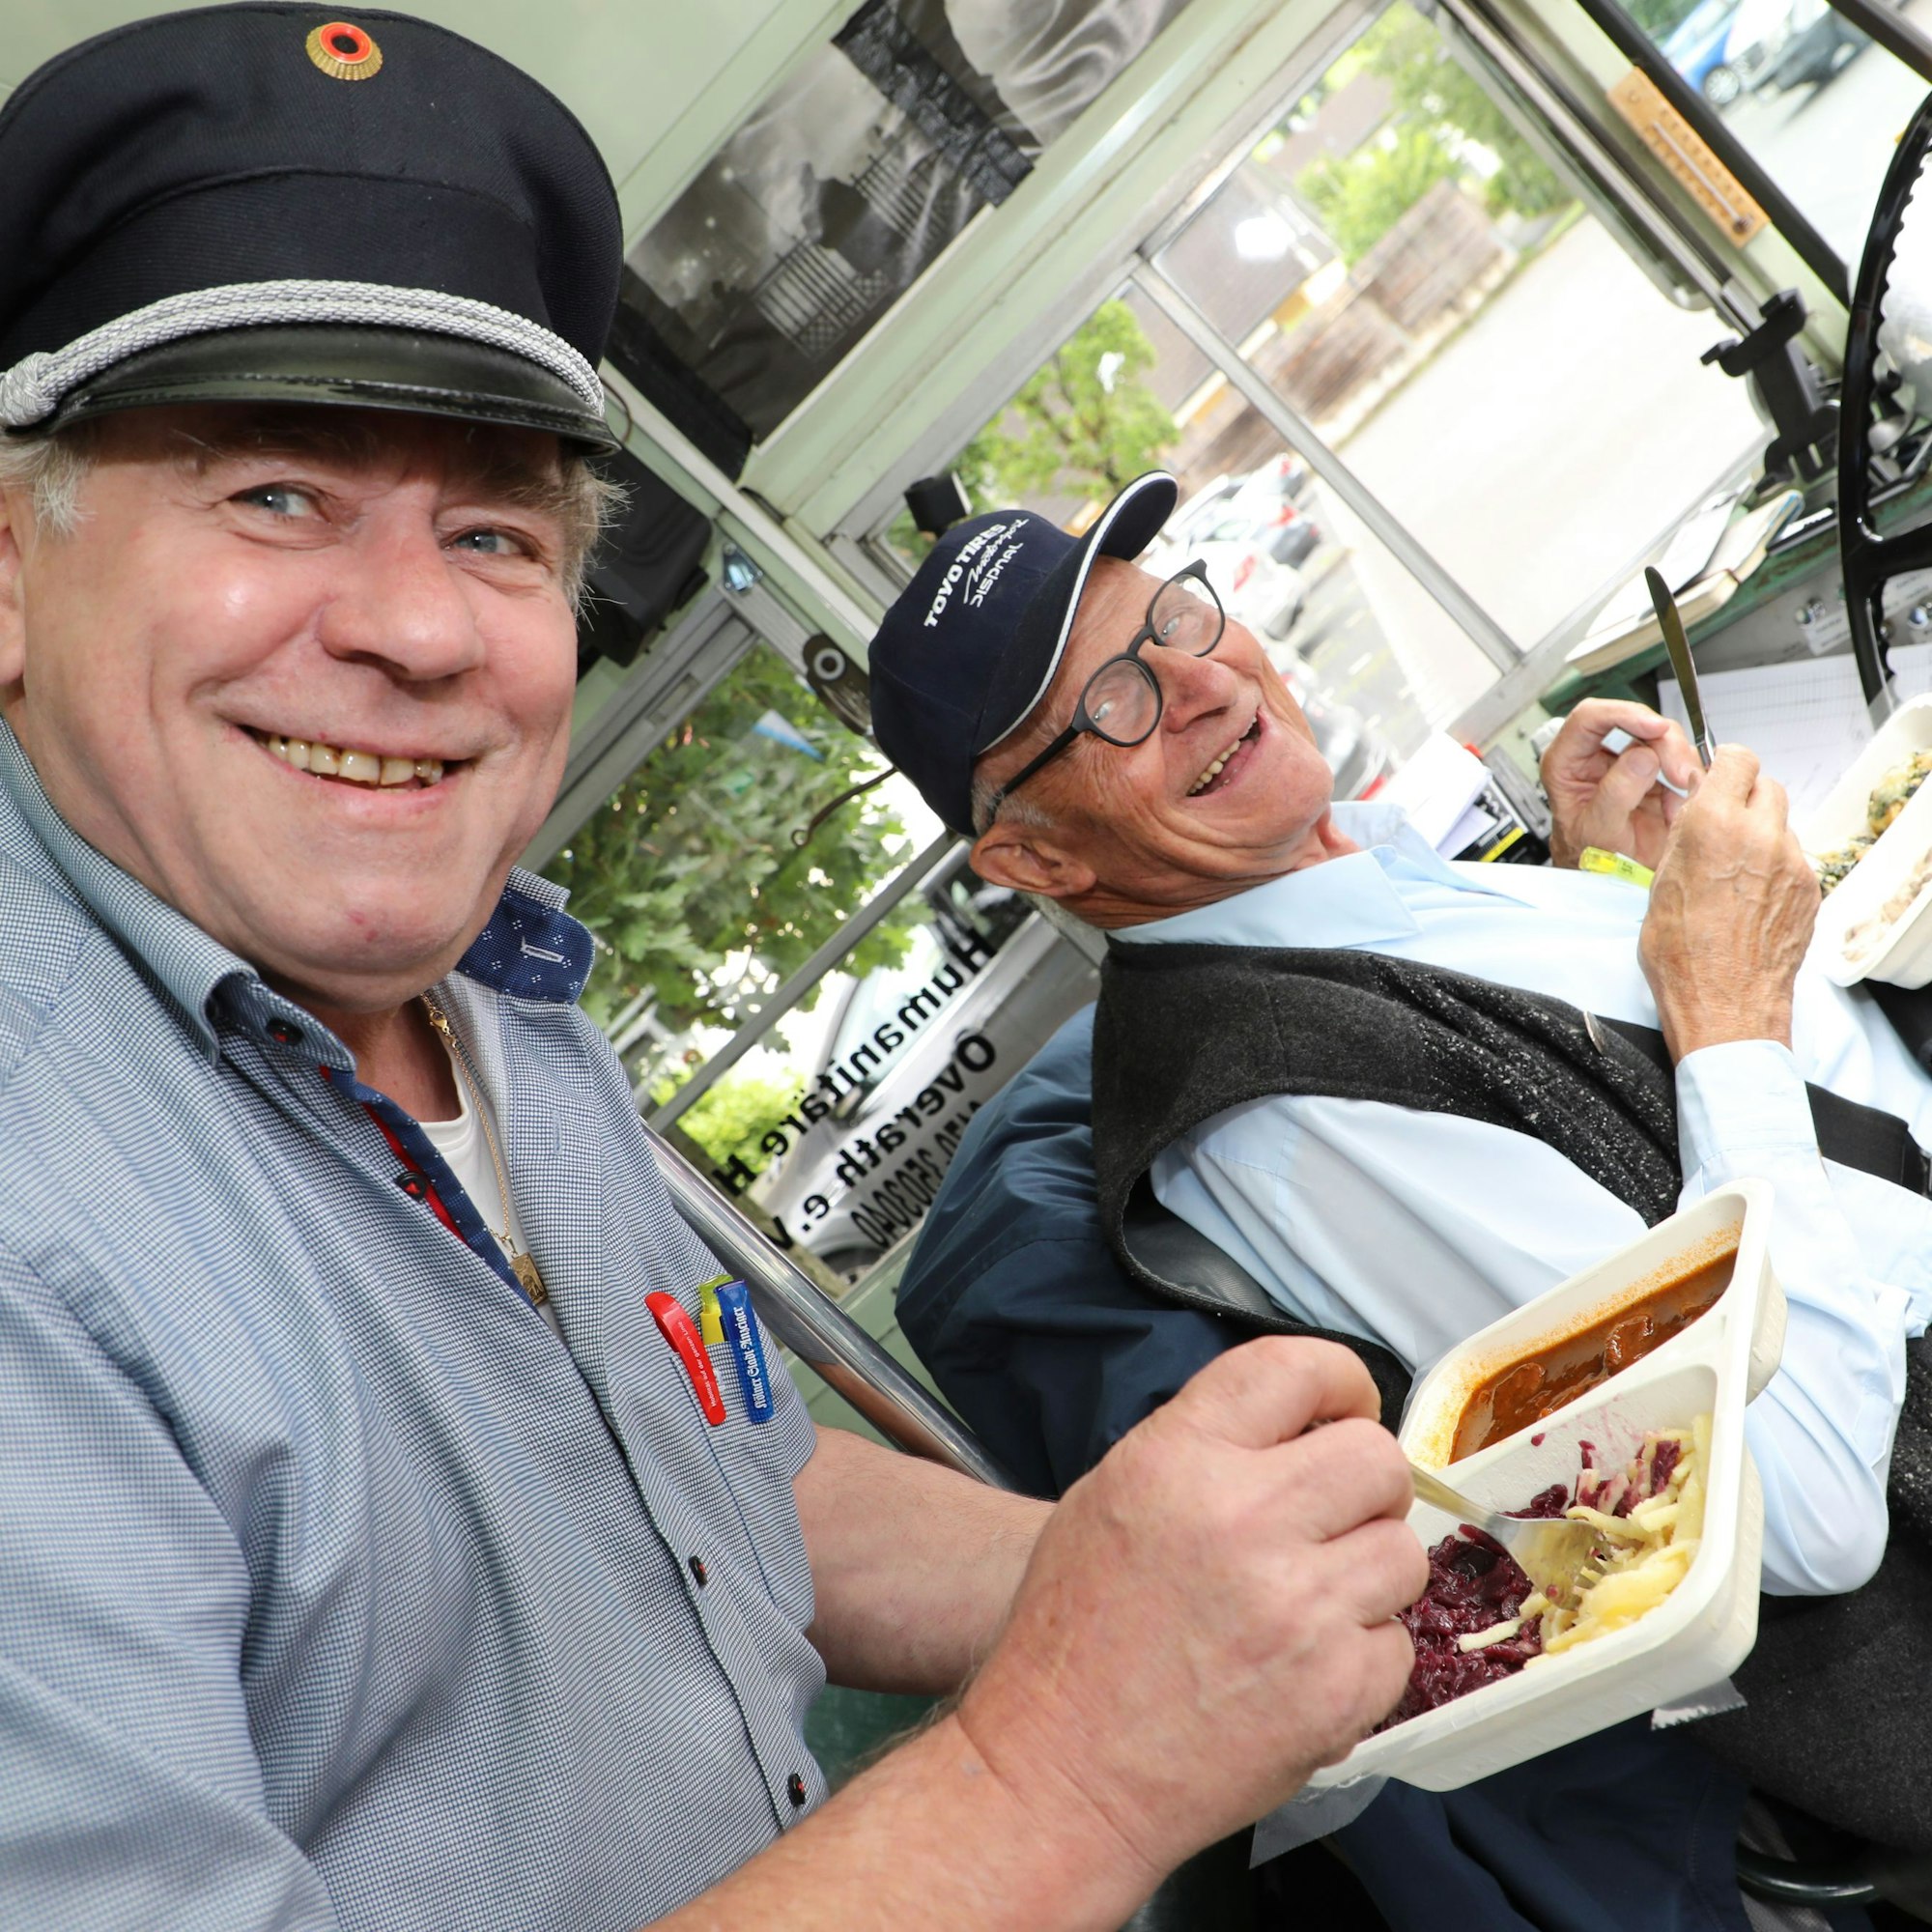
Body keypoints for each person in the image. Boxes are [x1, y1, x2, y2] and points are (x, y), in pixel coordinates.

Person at [0, 17, 1435, 1929]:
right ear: (13, 568)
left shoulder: (498, 998)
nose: (423, 625)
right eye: (277, 492)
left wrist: (1125, 1568)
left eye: (495, 528)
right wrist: (1064, 1764)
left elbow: (726, 1480)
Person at [867, 471, 1932, 1916]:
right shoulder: (1283, 1117)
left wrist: (1587, 889)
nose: (1195, 680)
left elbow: (1570, 1132)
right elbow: (1792, 1500)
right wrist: (1726, 1006)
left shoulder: (1346, 890)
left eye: (1176, 614)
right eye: (1110, 702)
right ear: (1040, 856)